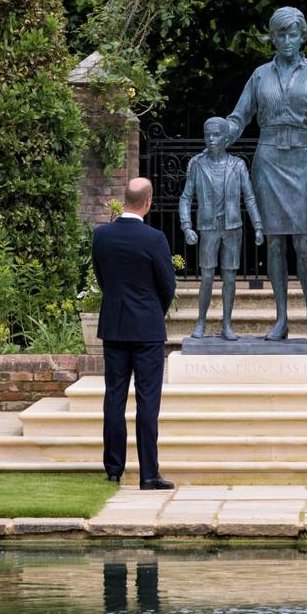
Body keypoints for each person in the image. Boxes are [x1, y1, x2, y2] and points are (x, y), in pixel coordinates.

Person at [224, 6, 307, 341]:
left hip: (301, 158)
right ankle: (281, 319)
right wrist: (222, 132)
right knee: (275, 242)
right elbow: (240, 117)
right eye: (280, 34)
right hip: (267, 160)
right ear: (273, 36)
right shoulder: (260, 75)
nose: (285, 40)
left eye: (292, 34)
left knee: (304, 241)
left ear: (302, 36)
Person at [91, 178, 177, 490]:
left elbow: (102, 279)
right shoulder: (154, 238)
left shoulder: (101, 236)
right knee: (147, 400)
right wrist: (154, 310)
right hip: (147, 329)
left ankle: (114, 468)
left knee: (114, 396)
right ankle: (149, 474)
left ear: (124, 199)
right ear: (147, 202)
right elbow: (168, 285)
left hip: (115, 326)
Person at [179, 116, 265, 340]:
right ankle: (201, 322)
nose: (211, 139)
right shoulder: (197, 165)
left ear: (227, 138)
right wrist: (187, 226)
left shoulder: (237, 165)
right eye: (207, 135)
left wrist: (257, 225)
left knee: (230, 277)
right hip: (208, 228)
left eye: (216, 134)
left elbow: (250, 197)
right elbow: (185, 198)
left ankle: (227, 324)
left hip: (232, 227)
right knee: (207, 277)